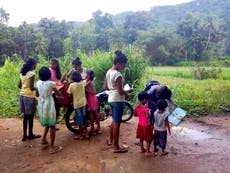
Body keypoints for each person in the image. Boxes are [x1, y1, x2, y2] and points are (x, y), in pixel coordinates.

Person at [103, 50, 133, 153]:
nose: (124, 67)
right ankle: (116, 147)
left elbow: (105, 87)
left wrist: (114, 88)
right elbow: (120, 91)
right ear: (119, 63)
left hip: (111, 99)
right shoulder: (118, 75)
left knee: (114, 121)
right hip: (118, 100)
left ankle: (111, 141)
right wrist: (129, 90)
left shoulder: (109, 72)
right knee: (117, 123)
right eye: (124, 65)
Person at [36, 66, 62, 154]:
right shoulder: (51, 83)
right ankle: (52, 147)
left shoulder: (38, 82)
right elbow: (58, 88)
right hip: (49, 103)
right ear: (49, 75)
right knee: (52, 124)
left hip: (42, 103)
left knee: (48, 122)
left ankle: (43, 139)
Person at [18, 58, 41, 141]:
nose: (35, 66)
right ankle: (30, 134)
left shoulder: (22, 73)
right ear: (32, 65)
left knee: (25, 117)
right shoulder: (32, 74)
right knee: (30, 117)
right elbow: (31, 88)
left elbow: (19, 86)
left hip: (22, 96)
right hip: (29, 97)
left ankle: (24, 135)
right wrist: (38, 89)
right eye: (35, 65)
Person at [67, 71, 89, 140]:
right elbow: (87, 79)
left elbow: (68, 94)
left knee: (79, 119)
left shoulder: (72, 85)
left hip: (76, 104)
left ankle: (81, 135)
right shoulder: (83, 83)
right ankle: (86, 134)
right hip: (83, 103)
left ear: (72, 78)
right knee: (84, 118)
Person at [135, 91, 155, 157]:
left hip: (140, 124)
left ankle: (142, 149)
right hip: (146, 125)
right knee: (149, 138)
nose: (147, 101)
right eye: (146, 99)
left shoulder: (136, 107)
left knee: (141, 137)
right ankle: (147, 151)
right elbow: (147, 117)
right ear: (144, 100)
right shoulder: (146, 108)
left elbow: (135, 114)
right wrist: (149, 112)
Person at [85, 69, 101, 135]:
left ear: (90, 75)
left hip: (92, 98)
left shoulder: (90, 82)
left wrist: (87, 90)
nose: (86, 75)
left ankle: (98, 127)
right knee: (91, 113)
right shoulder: (89, 81)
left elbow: (94, 92)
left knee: (94, 112)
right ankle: (93, 127)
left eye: (87, 74)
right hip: (90, 98)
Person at [49, 58, 62, 130]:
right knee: (53, 109)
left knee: (57, 108)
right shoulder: (49, 70)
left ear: (57, 64)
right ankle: (52, 124)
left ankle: (55, 123)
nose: (51, 65)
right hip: (52, 92)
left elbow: (58, 81)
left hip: (58, 92)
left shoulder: (58, 71)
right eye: (51, 63)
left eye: (53, 64)